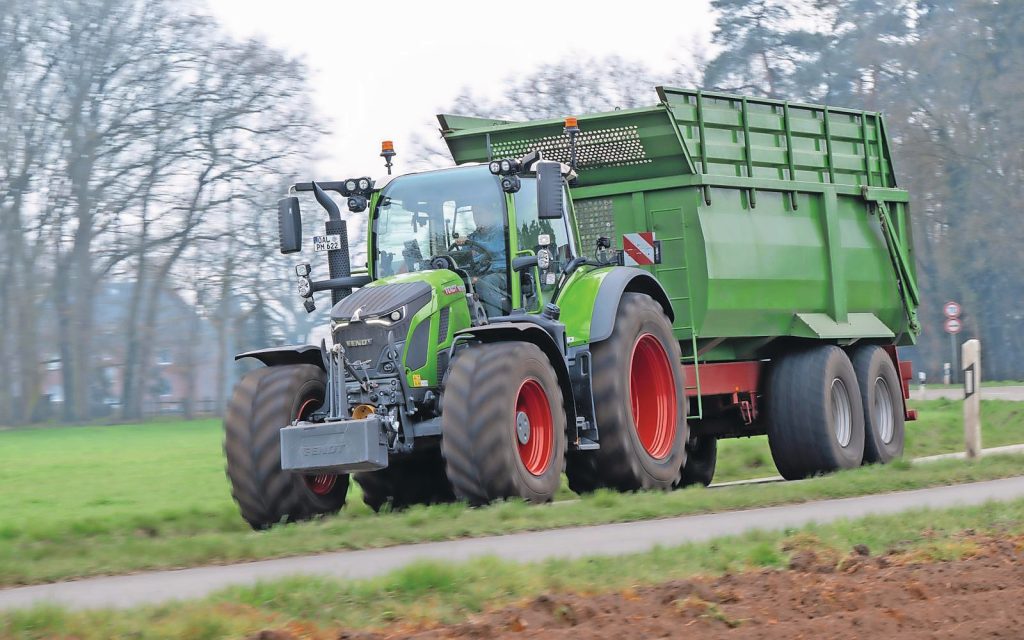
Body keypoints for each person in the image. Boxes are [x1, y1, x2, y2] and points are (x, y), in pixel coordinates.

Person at [456, 199, 509, 316]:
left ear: (490, 213)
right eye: (474, 214)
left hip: (505, 274)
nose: (476, 218)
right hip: (480, 274)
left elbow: (493, 248)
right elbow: (465, 258)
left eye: (480, 213)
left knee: (486, 282)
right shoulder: (475, 236)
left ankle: (496, 324)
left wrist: (469, 243)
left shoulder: (501, 230)